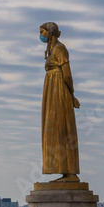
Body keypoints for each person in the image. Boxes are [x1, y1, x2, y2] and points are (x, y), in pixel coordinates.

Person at [40, 22, 81, 181]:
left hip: (59, 91)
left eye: (42, 32)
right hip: (52, 91)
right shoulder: (52, 50)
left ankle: (70, 172)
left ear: (50, 33)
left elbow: (68, 75)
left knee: (62, 126)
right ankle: (63, 170)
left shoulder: (60, 49)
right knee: (53, 129)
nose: (41, 35)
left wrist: (71, 95)